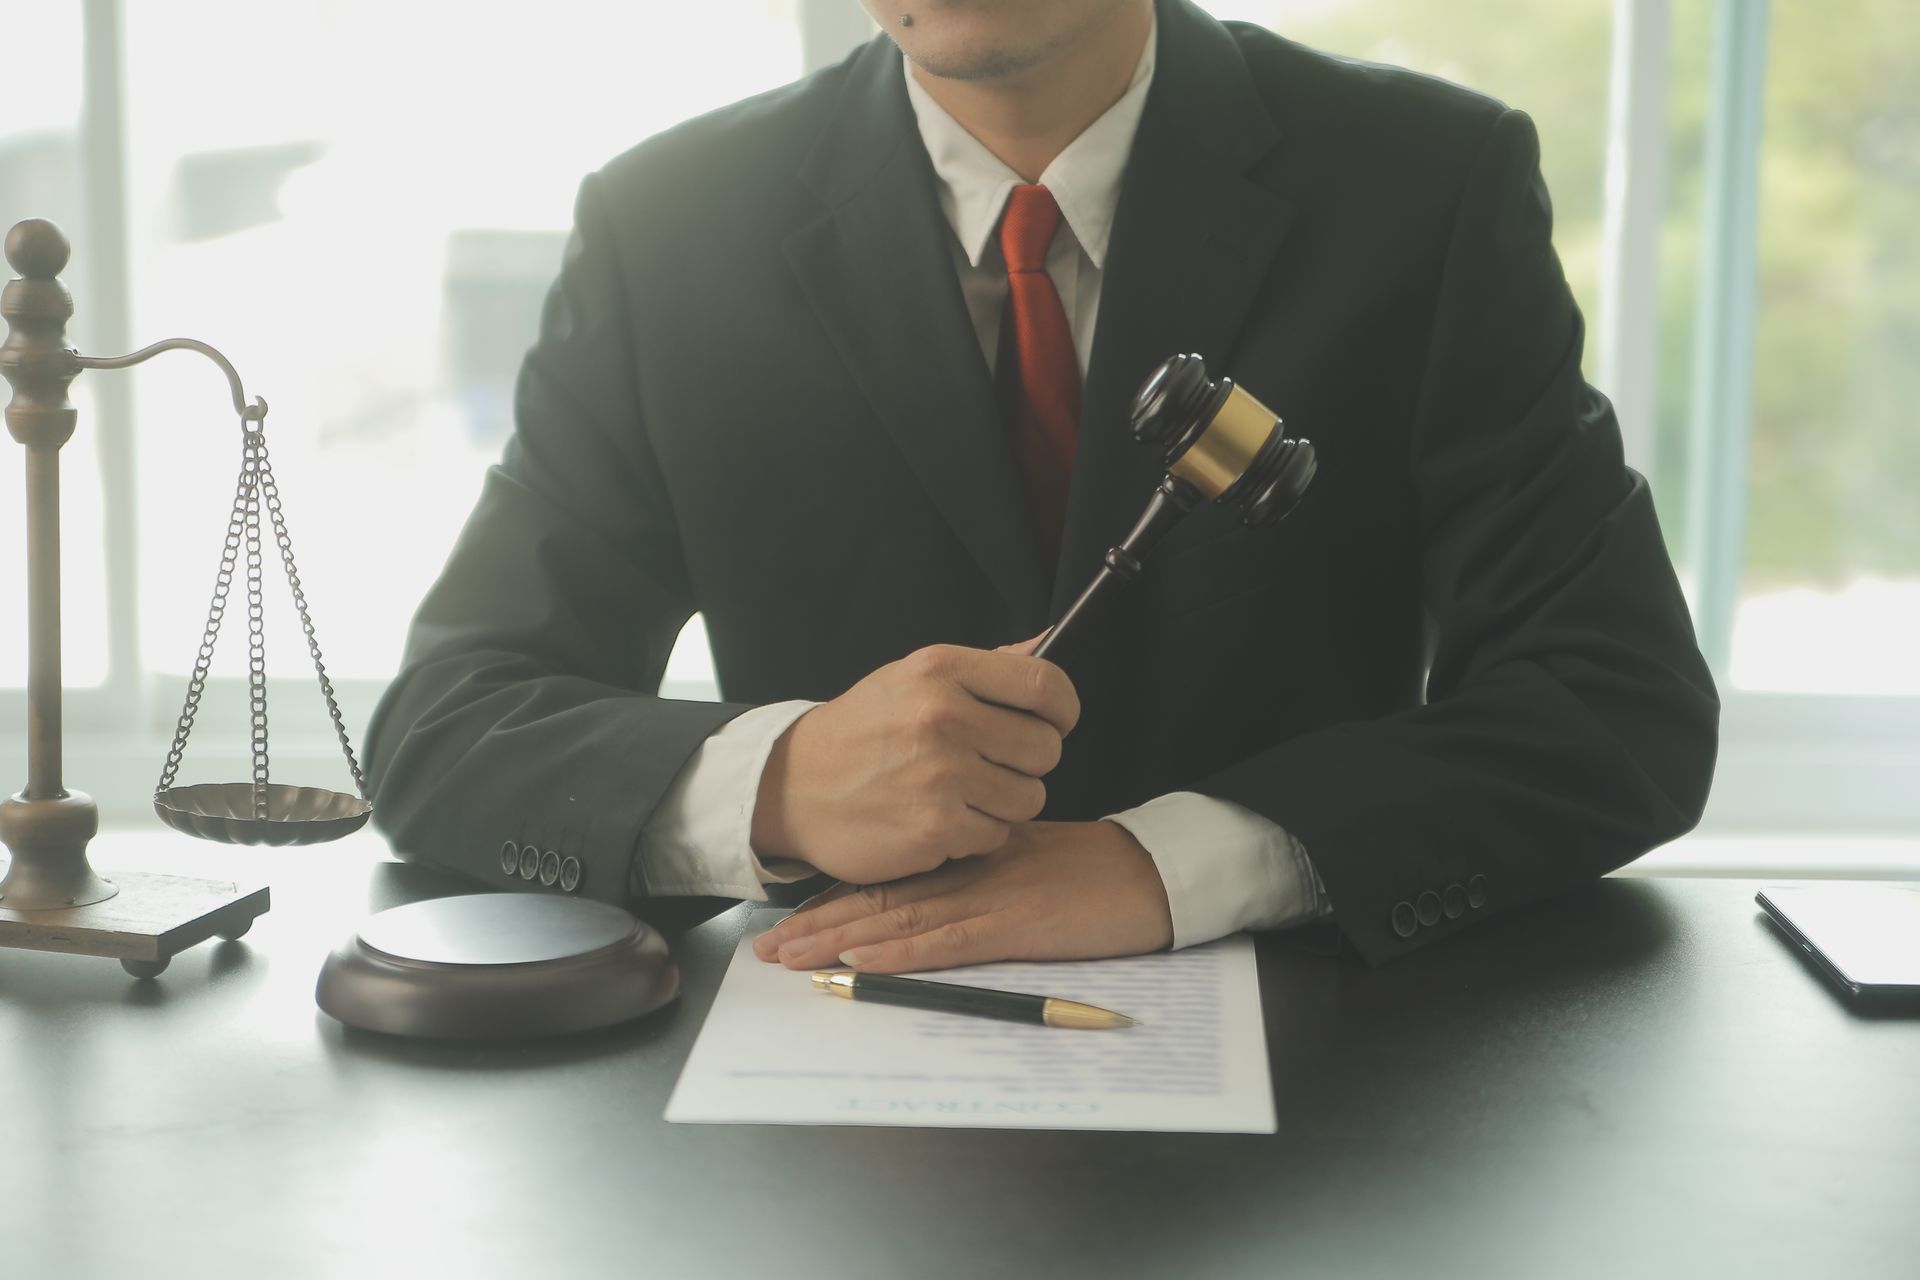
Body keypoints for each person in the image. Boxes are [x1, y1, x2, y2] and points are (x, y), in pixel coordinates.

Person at [362, 0, 1718, 976]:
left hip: (1331, 1094)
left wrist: (1166, 863)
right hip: (827, 1094)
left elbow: (1614, 704)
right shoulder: (667, 225)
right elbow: (446, 727)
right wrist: (775, 788)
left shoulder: (1422, 185)